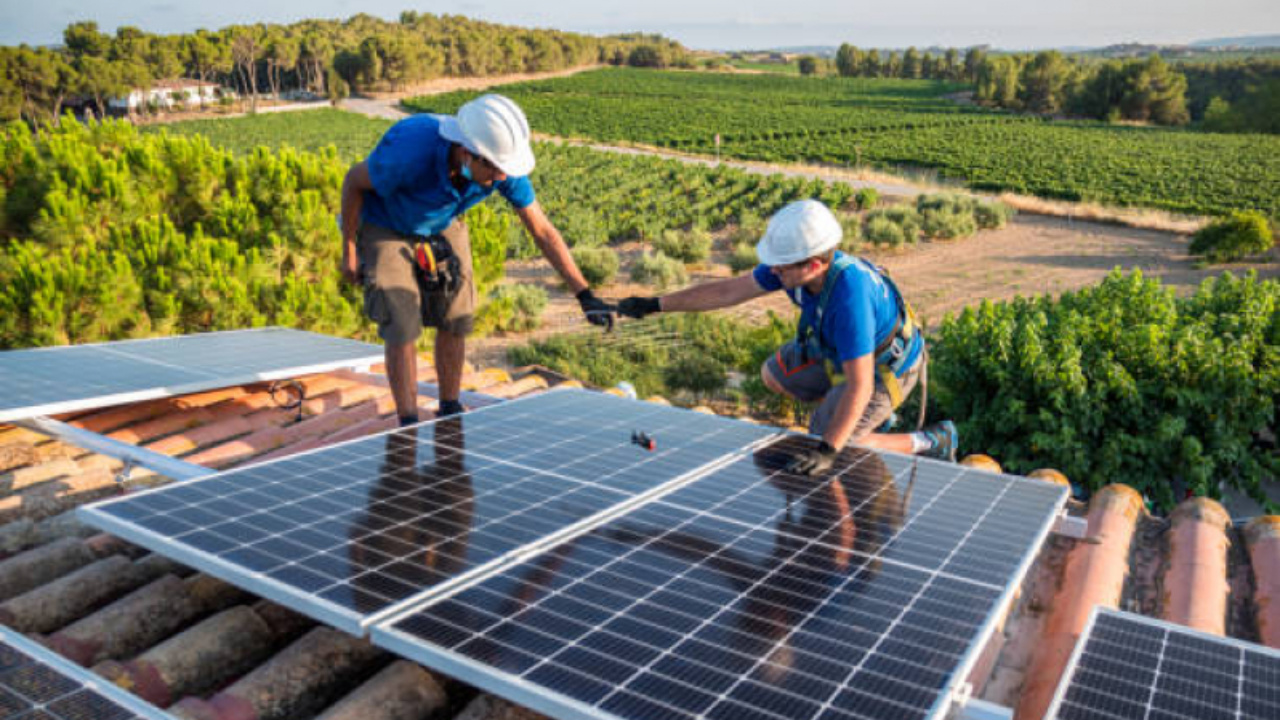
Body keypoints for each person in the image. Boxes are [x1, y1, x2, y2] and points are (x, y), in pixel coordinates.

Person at [618, 199, 957, 475]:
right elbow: (727, 291)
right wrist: (654, 304)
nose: (774, 273)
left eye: (781, 268)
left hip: (884, 369)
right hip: (837, 352)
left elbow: (861, 385)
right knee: (772, 375)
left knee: (838, 442)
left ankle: (928, 440)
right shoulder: (794, 269)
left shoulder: (849, 298)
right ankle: (851, 416)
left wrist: (827, 448)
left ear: (811, 265)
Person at [339, 94, 613, 426]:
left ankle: (450, 408)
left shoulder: (502, 166)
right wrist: (350, 252)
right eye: (495, 170)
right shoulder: (409, 151)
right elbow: (354, 182)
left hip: (441, 222)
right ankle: (408, 422)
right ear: (467, 153)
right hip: (385, 222)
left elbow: (542, 230)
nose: (501, 179)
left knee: (458, 314)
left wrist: (584, 294)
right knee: (401, 322)